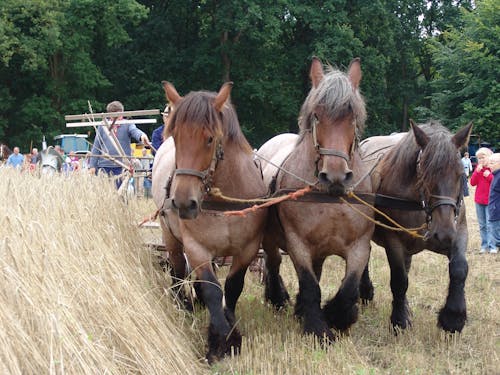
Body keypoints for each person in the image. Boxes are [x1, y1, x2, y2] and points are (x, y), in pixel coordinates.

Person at [89, 100, 150, 187]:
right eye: (114, 115)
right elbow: (96, 146)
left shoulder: (128, 124)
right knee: (104, 194)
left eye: (119, 115)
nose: (117, 118)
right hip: (104, 166)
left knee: (120, 195)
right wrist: (92, 165)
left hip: (122, 166)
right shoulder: (103, 126)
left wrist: (142, 136)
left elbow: (135, 131)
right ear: (109, 115)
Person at [470, 147, 495, 253]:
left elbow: (496, 184)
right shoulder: (478, 169)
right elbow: (472, 183)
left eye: (483, 157)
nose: (481, 160)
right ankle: (484, 245)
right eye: (479, 158)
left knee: (490, 224)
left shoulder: (494, 169)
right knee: (482, 225)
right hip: (479, 201)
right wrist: (476, 172)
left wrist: (489, 176)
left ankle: (492, 245)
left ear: (489, 157)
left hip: (490, 201)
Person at [487, 153, 500, 254]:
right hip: (494, 209)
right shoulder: (495, 175)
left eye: (492, 163)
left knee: (496, 231)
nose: (489, 165)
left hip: (497, 210)